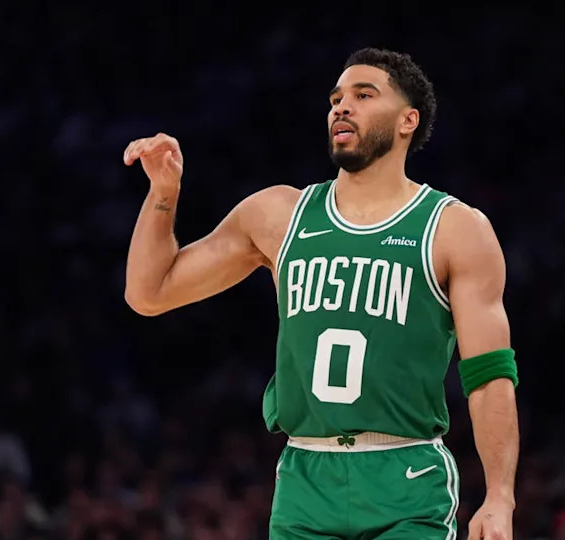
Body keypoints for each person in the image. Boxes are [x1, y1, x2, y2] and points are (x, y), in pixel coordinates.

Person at [123, 47, 520, 540]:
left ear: (407, 120)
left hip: (406, 478)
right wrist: (164, 191)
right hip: (305, 477)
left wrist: (500, 496)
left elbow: (488, 376)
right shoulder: (278, 215)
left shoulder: (454, 229)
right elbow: (149, 293)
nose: (341, 106)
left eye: (363, 94)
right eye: (335, 98)